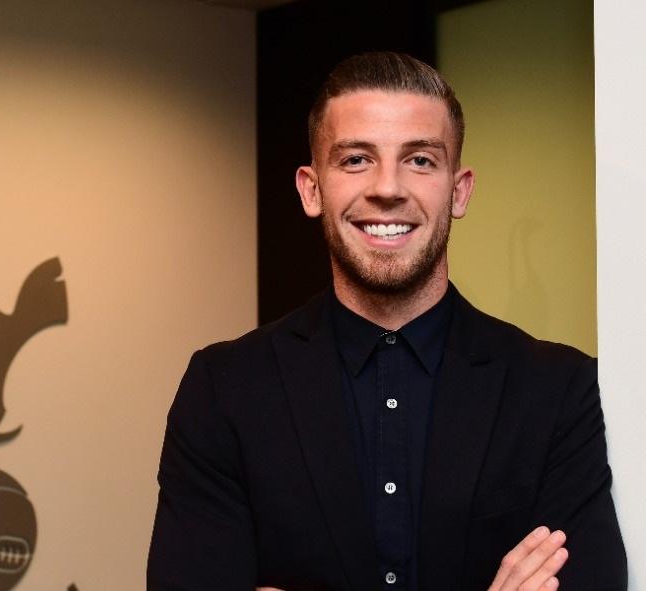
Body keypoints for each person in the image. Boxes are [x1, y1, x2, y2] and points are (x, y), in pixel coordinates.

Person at [147, 52, 627, 591]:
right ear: (311, 189)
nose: (388, 188)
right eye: (356, 159)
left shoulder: (557, 390)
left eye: (420, 160)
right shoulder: (225, 389)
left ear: (459, 191)